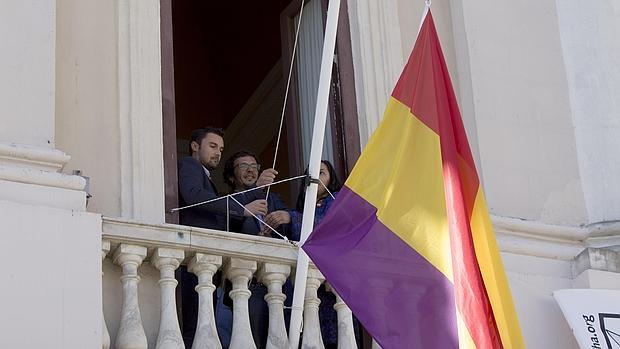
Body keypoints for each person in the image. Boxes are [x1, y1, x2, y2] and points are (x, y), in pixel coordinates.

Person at [177, 127, 278, 347]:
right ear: (195, 146)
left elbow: (216, 214)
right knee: (196, 327)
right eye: (212, 146)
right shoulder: (190, 164)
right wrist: (244, 206)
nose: (218, 153)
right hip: (196, 255)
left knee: (202, 327)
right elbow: (195, 197)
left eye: (221, 149)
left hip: (206, 261)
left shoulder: (206, 176)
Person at [264, 160, 357, 349]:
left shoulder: (339, 199)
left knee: (335, 338)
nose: (314, 177)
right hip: (305, 290)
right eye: (310, 173)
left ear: (331, 178)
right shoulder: (302, 209)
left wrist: (291, 218)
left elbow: (330, 227)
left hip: (331, 287)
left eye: (321, 172)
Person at [216, 150, 290, 349]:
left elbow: (291, 231)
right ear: (231, 176)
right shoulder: (227, 201)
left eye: (254, 166)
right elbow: (222, 230)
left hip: (275, 281)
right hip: (245, 282)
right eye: (243, 166)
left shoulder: (273, 200)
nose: (250, 170)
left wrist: (286, 217)